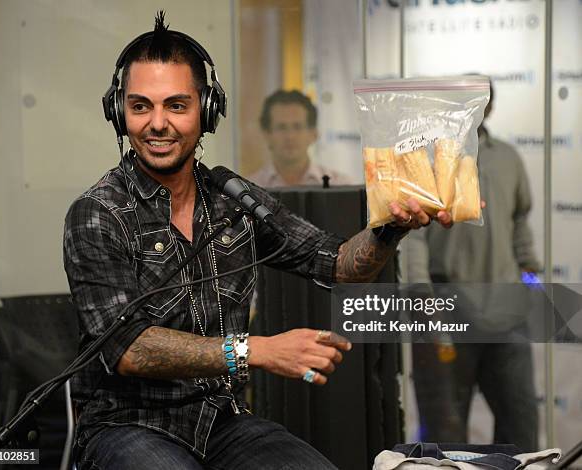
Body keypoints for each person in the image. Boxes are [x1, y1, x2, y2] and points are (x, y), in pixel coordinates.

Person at [63, 12, 451, 469]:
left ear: (207, 111)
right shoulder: (97, 213)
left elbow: (341, 264)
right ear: (119, 111)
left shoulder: (234, 201)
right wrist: (258, 350)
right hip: (126, 426)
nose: (157, 123)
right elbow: (130, 349)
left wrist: (392, 224)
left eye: (177, 105)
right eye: (141, 106)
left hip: (220, 421)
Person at [406, 80, 540, 451]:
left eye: (482, 102)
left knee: (522, 428)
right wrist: (419, 295)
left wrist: (531, 274)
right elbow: (413, 236)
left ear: (491, 108)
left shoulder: (509, 158)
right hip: (446, 312)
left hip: (507, 314)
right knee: (444, 434)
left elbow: (519, 221)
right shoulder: (429, 160)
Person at [248, 89, 353, 187]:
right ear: (266, 134)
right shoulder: (249, 189)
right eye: (281, 127)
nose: (290, 136)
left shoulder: (339, 184)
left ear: (313, 134)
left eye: (297, 127)